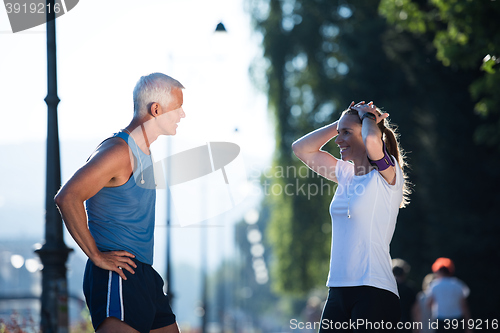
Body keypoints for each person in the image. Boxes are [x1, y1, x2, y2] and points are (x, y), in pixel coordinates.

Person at [55, 73, 185, 333]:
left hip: (143, 273)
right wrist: (95, 255)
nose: (183, 115)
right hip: (118, 274)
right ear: (156, 109)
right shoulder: (118, 151)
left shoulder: (143, 152)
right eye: (178, 108)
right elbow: (67, 196)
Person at [292, 101, 411, 332]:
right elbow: (301, 148)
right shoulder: (345, 174)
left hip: (374, 289)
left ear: (367, 131)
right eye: (339, 133)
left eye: (346, 133)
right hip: (337, 289)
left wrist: (367, 117)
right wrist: (342, 122)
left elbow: (372, 141)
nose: (338, 140)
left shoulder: (387, 174)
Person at [426, 258, 471, 333]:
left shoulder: (434, 286)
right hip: (456, 320)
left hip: (440, 320)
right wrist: (468, 326)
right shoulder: (459, 285)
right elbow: (464, 306)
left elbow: (429, 304)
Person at [391, 259, 418, 332]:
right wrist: (417, 327)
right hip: (406, 325)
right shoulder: (410, 288)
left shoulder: (388, 289)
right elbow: (415, 310)